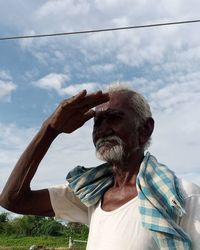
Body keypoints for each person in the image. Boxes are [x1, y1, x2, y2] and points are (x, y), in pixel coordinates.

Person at [0, 85, 199, 250]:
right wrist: (50, 129)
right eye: (97, 122)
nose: (102, 130)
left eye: (113, 118)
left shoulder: (181, 198)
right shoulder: (91, 195)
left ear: (145, 129)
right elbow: (13, 199)